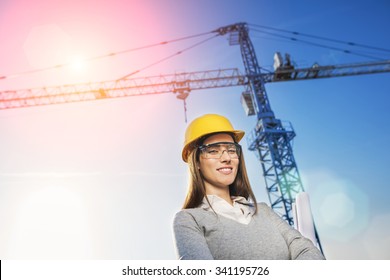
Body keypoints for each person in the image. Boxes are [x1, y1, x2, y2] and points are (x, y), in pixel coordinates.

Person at [172, 114, 325, 260]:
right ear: (196, 162)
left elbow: (308, 251)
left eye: (231, 150)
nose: (226, 158)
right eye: (213, 151)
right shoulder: (189, 220)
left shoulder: (263, 211)